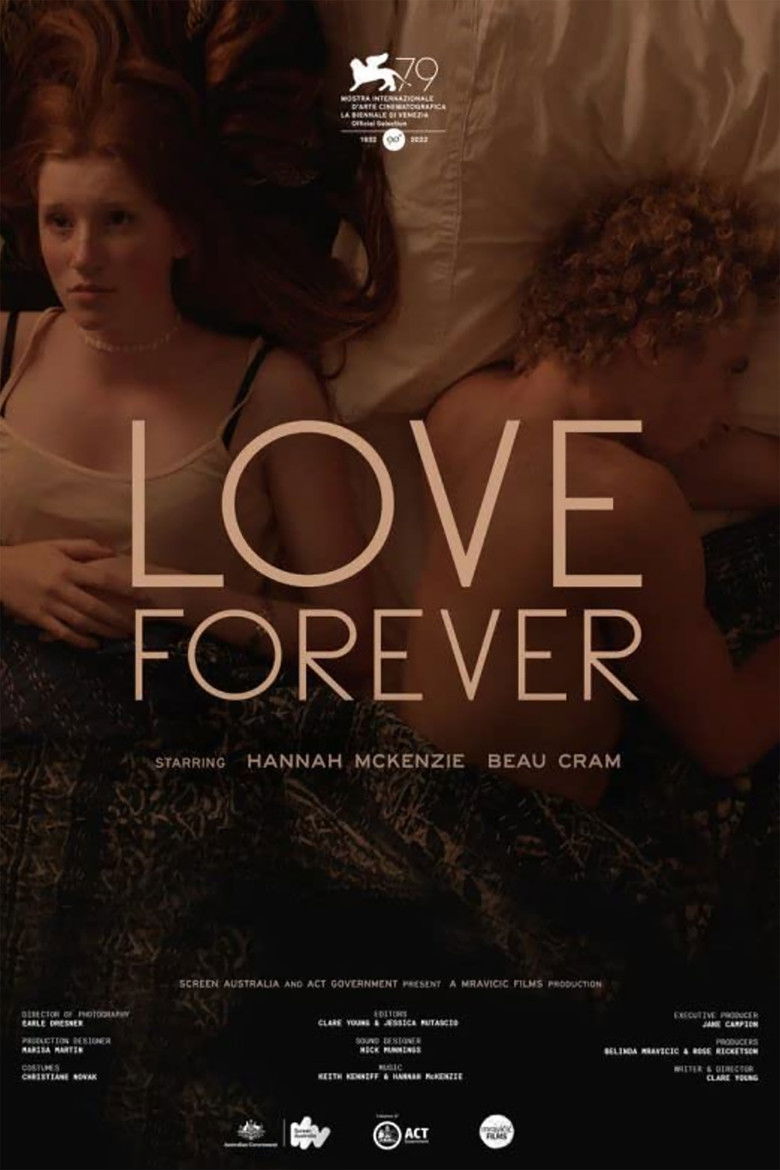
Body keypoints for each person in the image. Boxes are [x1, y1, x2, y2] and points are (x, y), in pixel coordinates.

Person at [0, 0, 396, 678]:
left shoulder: (268, 391)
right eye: (59, 222)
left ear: (182, 230)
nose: (83, 257)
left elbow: (357, 645)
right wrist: (8, 574)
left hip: (183, 721)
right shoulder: (8, 348)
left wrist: (179, 598)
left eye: (118, 220)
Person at [396, 175, 779, 805]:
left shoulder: (462, 412)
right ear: (654, 343)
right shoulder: (625, 503)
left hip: (405, 782)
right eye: (729, 370)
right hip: (512, 836)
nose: (731, 411)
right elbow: (728, 739)